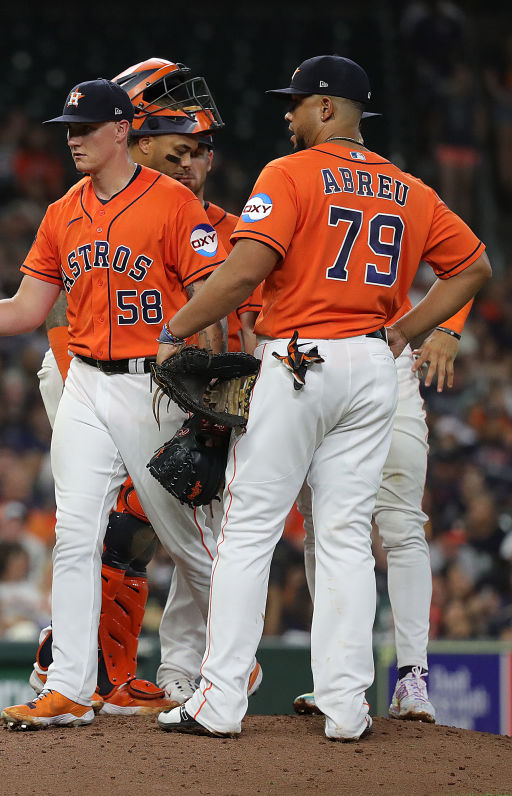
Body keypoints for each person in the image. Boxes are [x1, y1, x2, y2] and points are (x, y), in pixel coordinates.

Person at [153, 55, 490, 741]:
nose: (289, 113)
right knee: (341, 536)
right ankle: (346, 705)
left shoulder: (291, 173)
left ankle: (217, 701)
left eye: (299, 102)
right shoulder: (410, 190)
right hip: (371, 364)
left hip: (301, 359)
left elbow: (247, 267)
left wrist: (176, 328)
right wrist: (406, 331)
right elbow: (473, 266)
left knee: (249, 529)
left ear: (330, 108)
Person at [0, 78, 226, 730]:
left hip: (153, 386)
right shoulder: (63, 211)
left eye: (84, 129)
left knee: (192, 544)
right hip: (85, 379)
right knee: (76, 534)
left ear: (120, 131)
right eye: (67, 131)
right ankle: (71, 687)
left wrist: (211, 391)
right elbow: (28, 309)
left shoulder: (172, 203)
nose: (74, 140)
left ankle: (228, 676)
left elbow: (213, 293)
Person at [31, 58, 261, 717]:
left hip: (197, 389)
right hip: (102, 376)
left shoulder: (224, 224)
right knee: (127, 517)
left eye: (201, 153)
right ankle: (90, 668)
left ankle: (184, 669)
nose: (193, 164)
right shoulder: (93, 210)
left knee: (193, 516)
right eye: (177, 150)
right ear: (135, 142)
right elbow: (54, 316)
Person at [291, 300, 472, 723]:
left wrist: (450, 327)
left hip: (384, 349)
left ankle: (412, 677)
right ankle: (335, 678)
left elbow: (466, 258)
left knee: (402, 525)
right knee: (323, 525)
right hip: (315, 357)